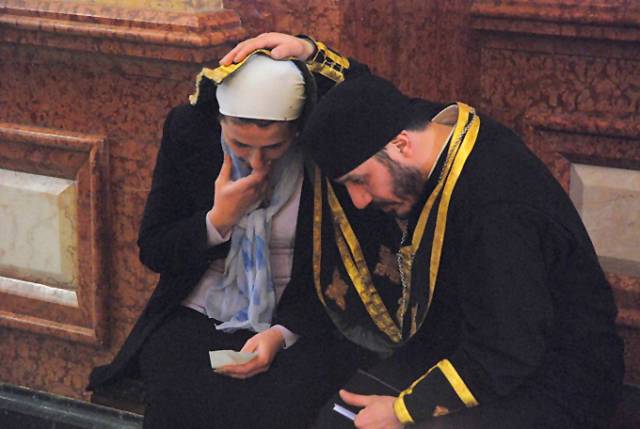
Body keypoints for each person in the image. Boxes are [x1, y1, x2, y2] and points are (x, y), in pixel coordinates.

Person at [225, 34, 625, 429]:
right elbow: (365, 99)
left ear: (402, 146)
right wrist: (311, 53)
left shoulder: (496, 211)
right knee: (338, 420)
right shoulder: (427, 129)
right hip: (466, 345)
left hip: (557, 377)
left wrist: (403, 410)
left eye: (360, 181)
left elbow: (508, 349)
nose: (359, 201)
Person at [87, 37, 401, 429]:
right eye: (239, 145)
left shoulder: (321, 151)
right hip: (201, 309)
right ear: (219, 123)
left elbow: (377, 98)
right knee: (183, 397)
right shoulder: (189, 132)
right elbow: (155, 249)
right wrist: (218, 220)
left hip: (303, 314)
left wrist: (282, 334)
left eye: (273, 147)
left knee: (276, 405)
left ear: (297, 133)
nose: (255, 161)